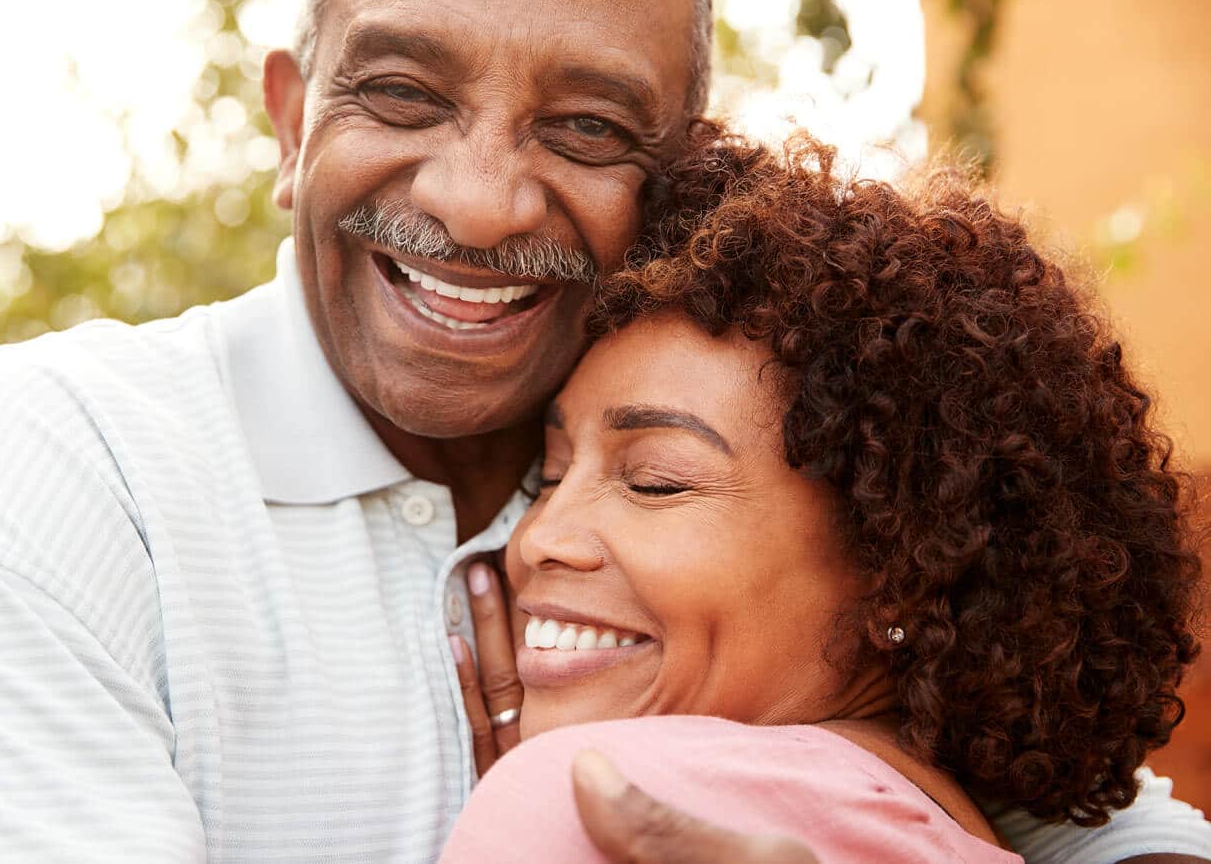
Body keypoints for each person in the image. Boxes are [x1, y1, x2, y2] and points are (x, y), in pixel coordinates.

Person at [0, 0, 1209, 860]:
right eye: (397, 94)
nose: (477, 203)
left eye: (587, 129)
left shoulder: (769, 431)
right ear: (285, 122)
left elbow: (1115, 832)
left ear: (681, 173)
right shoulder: (54, 464)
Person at [442, 128, 1211, 863]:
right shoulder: (949, 825)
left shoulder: (590, 801)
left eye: (654, 480)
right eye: (548, 474)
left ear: (903, 573)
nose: (536, 537)